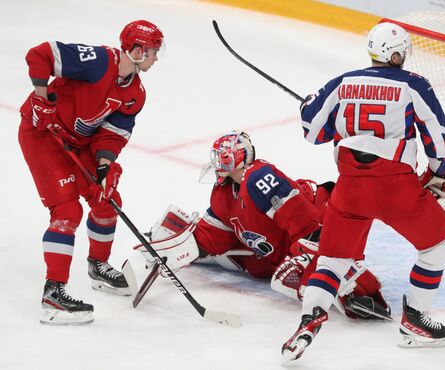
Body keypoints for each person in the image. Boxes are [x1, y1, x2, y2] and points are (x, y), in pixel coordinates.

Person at [281, 22, 445, 362]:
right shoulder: (412, 84)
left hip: (350, 188)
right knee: (437, 245)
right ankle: (415, 322)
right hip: (395, 187)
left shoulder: (343, 82)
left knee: (332, 261)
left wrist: (307, 106)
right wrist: (439, 170)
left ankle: (309, 319)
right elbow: (437, 134)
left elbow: (312, 132)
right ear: (395, 54)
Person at [133, 131, 391, 321]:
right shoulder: (223, 192)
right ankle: (169, 229)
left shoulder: (258, 177)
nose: (217, 164)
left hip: (325, 223)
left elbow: (309, 227)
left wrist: (301, 259)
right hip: (278, 249)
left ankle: (352, 285)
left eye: (221, 158)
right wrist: (171, 251)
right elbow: (209, 239)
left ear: (234, 158)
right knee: (248, 263)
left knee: (287, 278)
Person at [18, 20, 165, 325]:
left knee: (107, 201)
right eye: (152, 52)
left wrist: (104, 165)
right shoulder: (98, 61)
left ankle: (98, 265)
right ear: (136, 50)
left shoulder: (135, 93)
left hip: (78, 142)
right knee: (67, 212)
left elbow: (114, 132)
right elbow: (40, 54)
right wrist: (41, 96)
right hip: (44, 135)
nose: (155, 58)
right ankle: (53, 294)